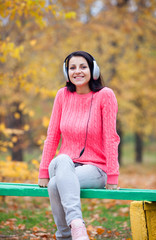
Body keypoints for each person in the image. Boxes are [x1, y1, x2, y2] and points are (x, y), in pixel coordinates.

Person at [38, 51, 120, 240]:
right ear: (67, 73)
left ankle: (66, 235)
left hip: (95, 168)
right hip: (62, 165)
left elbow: (111, 137)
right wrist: (43, 171)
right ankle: (78, 226)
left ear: (93, 70)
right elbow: (52, 135)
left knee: (55, 184)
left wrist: (113, 175)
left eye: (83, 66)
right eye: (72, 68)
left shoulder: (105, 96)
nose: (77, 71)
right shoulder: (62, 95)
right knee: (63, 160)